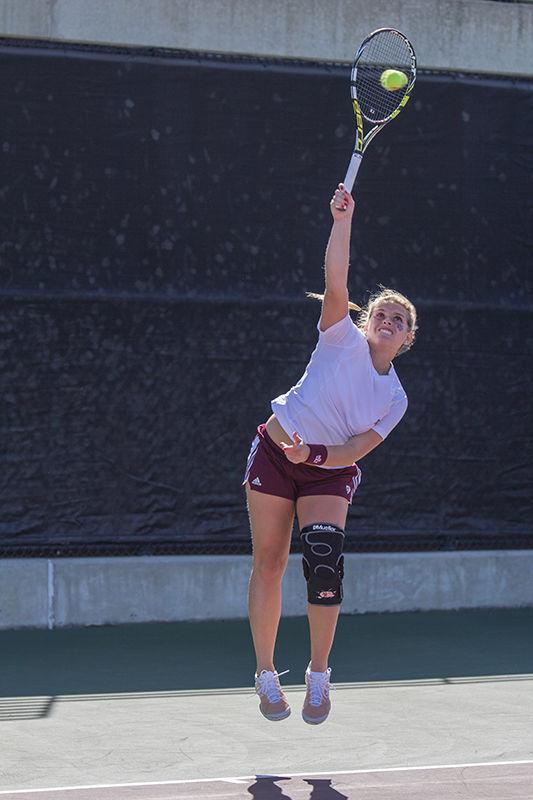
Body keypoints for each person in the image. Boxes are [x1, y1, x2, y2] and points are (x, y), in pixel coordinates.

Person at [243, 184, 417, 724]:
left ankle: (319, 675)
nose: (387, 322)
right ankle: (266, 674)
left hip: (324, 473)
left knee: (323, 561)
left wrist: (313, 455)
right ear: (367, 322)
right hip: (273, 454)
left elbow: (355, 449)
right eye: (381, 315)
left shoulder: (394, 398)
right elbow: (335, 279)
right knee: (269, 564)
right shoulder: (339, 335)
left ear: (407, 339)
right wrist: (342, 221)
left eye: (399, 321)